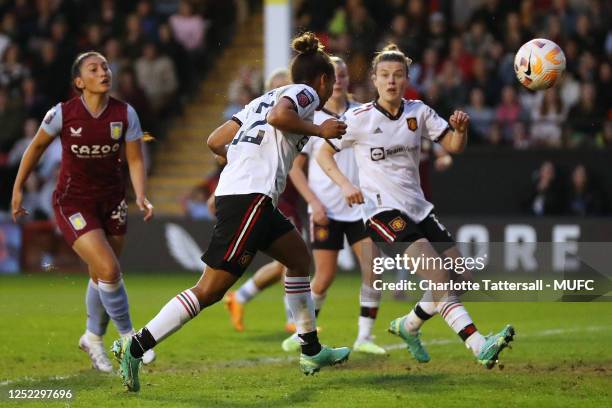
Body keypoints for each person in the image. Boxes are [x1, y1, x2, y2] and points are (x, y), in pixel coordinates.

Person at [112, 32, 351, 392]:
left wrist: (240, 158)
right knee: (209, 290)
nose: (330, 89)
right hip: (249, 197)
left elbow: (213, 141)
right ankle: (137, 344)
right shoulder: (305, 94)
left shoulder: (260, 98)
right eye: (330, 82)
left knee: (300, 259)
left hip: (251, 196)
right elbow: (278, 118)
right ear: (323, 80)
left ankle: (311, 349)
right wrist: (319, 129)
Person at [316, 44, 514, 369]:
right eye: (384, 76)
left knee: (460, 279)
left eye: (397, 75)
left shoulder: (418, 112)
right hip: (382, 213)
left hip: (419, 209)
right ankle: (479, 344)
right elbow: (324, 154)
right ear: (374, 81)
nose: (391, 82)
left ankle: (408, 326)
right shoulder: (358, 118)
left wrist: (461, 131)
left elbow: (453, 145)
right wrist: (345, 184)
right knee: (438, 277)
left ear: (407, 78)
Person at [11, 51, 155, 372]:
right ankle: (130, 338)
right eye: (94, 68)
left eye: (105, 66)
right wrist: (18, 187)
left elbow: (134, 159)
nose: (104, 72)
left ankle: (92, 337)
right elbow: (35, 148)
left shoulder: (125, 114)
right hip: (73, 202)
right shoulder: (62, 114)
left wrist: (141, 195)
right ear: (80, 82)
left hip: (112, 201)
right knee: (109, 269)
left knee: (101, 273)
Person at [280, 56, 386, 355]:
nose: (338, 79)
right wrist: (313, 202)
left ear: (347, 79)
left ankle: (364, 337)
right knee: (324, 277)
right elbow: (295, 168)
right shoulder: (311, 117)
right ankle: (303, 333)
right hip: (325, 207)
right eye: (333, 74)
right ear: (324, 79)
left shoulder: (361, 113)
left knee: (373, 268)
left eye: (342, 74)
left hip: (361, 207)